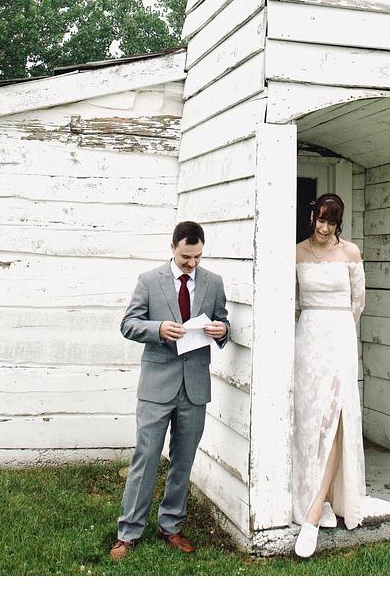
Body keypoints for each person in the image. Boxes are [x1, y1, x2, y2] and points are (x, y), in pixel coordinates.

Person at [109, 220, 229, 559]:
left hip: (195, 386)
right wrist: (159, 328)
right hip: (157, 386)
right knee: (146, 457)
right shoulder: (149, 281)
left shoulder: (214, 282)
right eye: (186, 257)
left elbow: (223, 322)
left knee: (183, 460)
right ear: (173, 248)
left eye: (198, 257)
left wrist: (222, 331)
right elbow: (128, 324)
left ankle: (171, 526)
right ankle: (128, 532)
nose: (192, 263)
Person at [292, 193, 390, 557]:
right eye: (321, 220)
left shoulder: (350, 252)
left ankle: (313, 514)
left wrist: (339, 333)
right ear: (312, 217)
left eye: (331, 223)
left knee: (334, 418)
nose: (324, 228)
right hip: (307, 339)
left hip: (339, 337)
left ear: (338, 224)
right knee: (309, 419)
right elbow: (294, 302)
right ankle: (313, 495)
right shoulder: (297, 253)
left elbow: (357, 303)